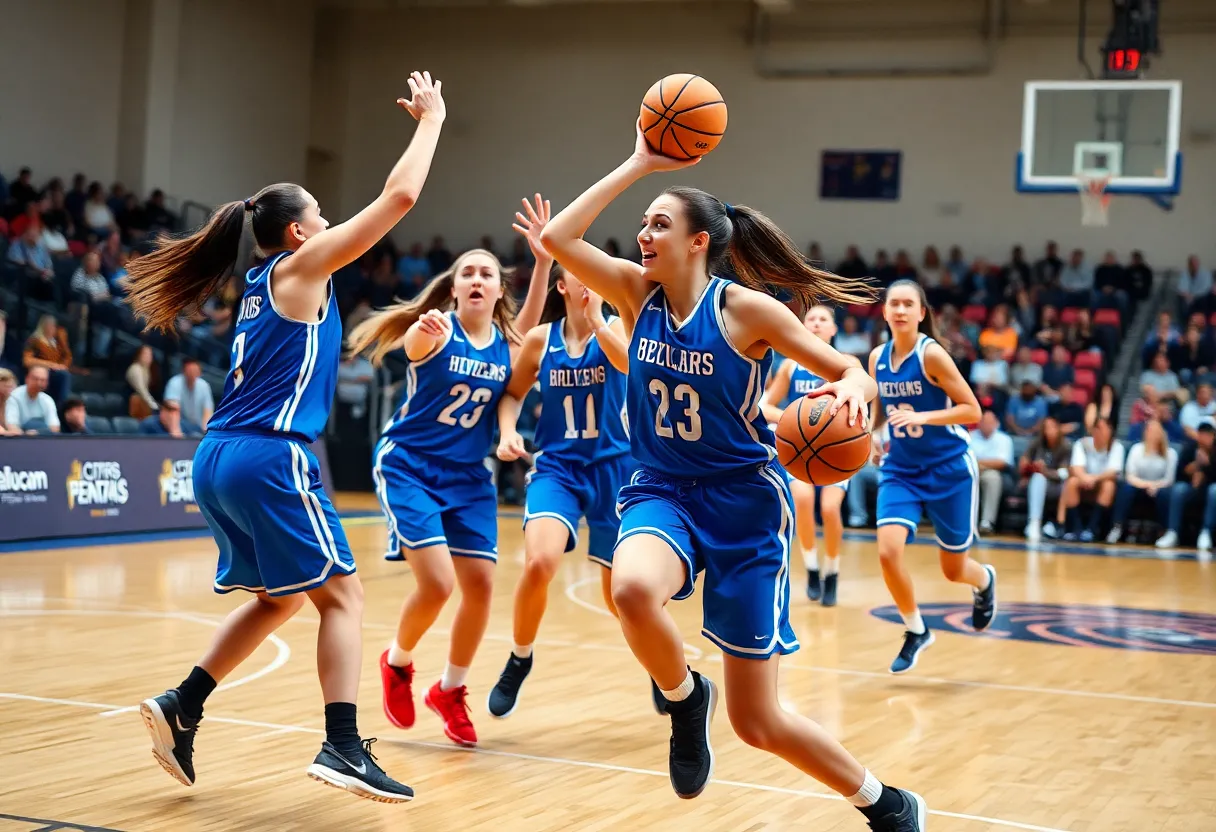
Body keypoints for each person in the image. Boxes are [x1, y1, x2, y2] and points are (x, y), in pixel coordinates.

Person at [536, 122, 926, 830]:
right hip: (660, 487)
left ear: (698, 242)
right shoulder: (633, 292)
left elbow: (846, 368)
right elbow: (557, 240)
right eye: (641, 224)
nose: (643, 235)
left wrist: (851, 393)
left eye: (659, 224)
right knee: (630, 588)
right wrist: (638, 162)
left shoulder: (745, 310)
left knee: (759, 722)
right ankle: (685, 697)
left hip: (744, 505)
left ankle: (886, 802)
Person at [123, 70, 446, 803]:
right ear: (299, 232)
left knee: (282, 597)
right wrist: (431, 120)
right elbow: (399, 199)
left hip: (219, 457)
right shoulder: (301, 268)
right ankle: (340, 745)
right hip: (271, 454)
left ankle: (184, 705)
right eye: (323, 213)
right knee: (346, 597)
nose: (332, 222)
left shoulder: (267, 284)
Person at [351, 197, 549, 750]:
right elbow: (413, 347)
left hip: (469, 477)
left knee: (481, 587)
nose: (479, 279)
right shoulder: (436, 331)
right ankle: (398, 664)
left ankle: (450, 690)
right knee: (437, 584)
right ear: (455, 288)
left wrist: (543, 259)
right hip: (410, 466)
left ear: (498, 289)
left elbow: (531, 321)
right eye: (468, 273)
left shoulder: (511, 346)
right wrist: (422, 328)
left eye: (488, 272)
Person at [487, 208, 641, 717]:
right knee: (540, 562)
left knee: (622, 595)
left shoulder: (617, 327)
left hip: (616, 470)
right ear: (562, 286)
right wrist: (509, 431)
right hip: (557, 467)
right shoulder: (540, 340)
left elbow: (629, 365)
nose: (593, 277)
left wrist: (598, 320)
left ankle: (666, 675)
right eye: (581, 271)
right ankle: (520, 656)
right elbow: (511, 394)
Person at [869, 280, 996, 675]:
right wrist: (873, 434)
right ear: (885, 311)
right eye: (895, 304)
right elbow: (880, 409)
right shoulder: (876, 358)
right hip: (902, 468)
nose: (902, 310)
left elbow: (972, 410)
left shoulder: (932, 356)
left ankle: (985, 580)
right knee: (888, 552)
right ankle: (915, 629)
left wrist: (924, 416)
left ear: (922, 313)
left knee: (953, 569)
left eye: (910, 304)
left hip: (950, 469)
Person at [759, 305, 852, 606]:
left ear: (833, 330)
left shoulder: (846, 364)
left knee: (829, 508)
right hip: (800, 450)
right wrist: (796, 417)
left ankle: (834, 572)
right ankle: (812, 568)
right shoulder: (789, 366)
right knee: (801, 499)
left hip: (837, 451)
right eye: (810, 319)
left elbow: (865, 401)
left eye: (823, 319)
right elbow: (763, 406)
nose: (815, 323)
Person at [1052, 417, 1125, 542]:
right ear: (1094, 430)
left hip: (1100, 484)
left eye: (1107, 429)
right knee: (1072, 482)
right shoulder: (1083, 443)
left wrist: (1094, 479)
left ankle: (1092, 528)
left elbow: (1113, 472)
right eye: (1100, 429)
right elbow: (1076, 468)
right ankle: (1076, 528)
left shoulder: (1117, 447)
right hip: (1084, 484)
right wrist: (1085, 478)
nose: (1104, 432)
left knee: (1109, 485)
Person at [1106, 419, 1177, 544]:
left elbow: (1169, 479)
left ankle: (1164, 532)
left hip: (1160, 489)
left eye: (1155, 430)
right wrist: (1147, 485)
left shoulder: (1171, 453)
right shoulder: (1136, 449)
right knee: (1126, 488)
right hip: (1139, 487)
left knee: (1165, 494)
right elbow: (1130, 475)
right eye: (1148, 430)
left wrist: (1155, 486)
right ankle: (1117, 527)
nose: (1151, 433)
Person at [969, 410, 1014, 535]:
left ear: (996, 424)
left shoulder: (1004, 439)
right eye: (983, 421)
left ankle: (986, 522)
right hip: (972, 471)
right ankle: (965, 522)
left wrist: (980, 463)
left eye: (990, 422)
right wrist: (979, 464)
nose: (986, 425)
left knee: (992, 478)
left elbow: (1001, 463)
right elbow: (964, 458)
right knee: (963, 477)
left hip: (995, 472)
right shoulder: (970, 436)